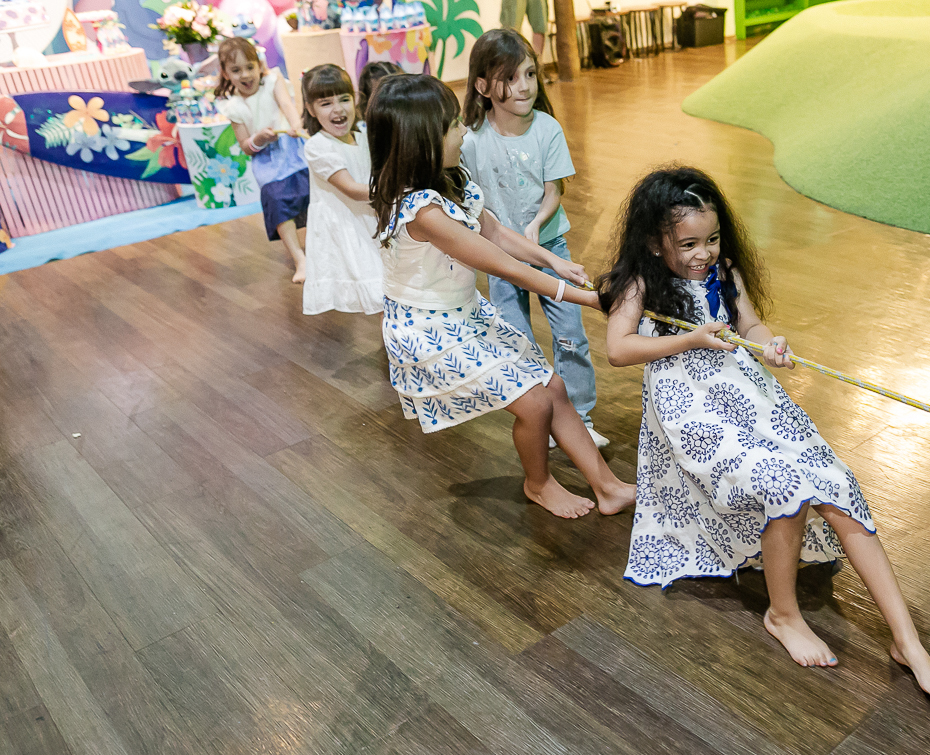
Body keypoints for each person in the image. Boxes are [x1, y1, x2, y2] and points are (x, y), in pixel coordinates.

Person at [597, 166, 930, 700]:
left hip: (748, 393)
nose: (704, 254)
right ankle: (783, 615)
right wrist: (690, 339)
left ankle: (908, 641)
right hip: (688, 406)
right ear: (654, 242)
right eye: (689, 243)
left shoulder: (727, 275)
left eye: (712, 239)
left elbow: (751, 327)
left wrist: (771, 344)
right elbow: (618, 349)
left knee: (839, 484)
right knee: (784, 488)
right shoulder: (641, 281)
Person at [366, 74, 635, 519]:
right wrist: (582, 298)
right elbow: (500, 264)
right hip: (428, 328)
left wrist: (553, 261)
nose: (465, 131)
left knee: (554, 388)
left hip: (463, 312)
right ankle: (539, 483)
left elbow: (493, 230)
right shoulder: (421, 211)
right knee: (532, 404)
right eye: (453, 125)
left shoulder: (451, 180)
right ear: (422, 140)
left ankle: (608, 487)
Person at [460, 29, 609, 449]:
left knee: (571, 338)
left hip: (552, 249)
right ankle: (542, 418)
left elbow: (554, 191)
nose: (524, 86)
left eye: (529, 73)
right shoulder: (470, 140)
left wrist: (538, 223)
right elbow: (473, 204)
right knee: (516, 339)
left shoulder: (547, 128)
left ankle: (578, 419)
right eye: (510, 77)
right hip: (499, 260)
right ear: (483, 86)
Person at [216, 37, 309, 283]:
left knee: (313, 194)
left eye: (249, 67)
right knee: (278, 204)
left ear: (259, 65)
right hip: (268, 163)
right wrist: (259, 138)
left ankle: (326, 247)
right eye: (236, 70)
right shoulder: (234, 107)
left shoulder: (273, 81)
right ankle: (300, 258)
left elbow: (288, 107)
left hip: (293, 150)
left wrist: (296, 125)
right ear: (225, 74)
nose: (245, 75)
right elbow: (246, 147)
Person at [300, 64, 383, 315]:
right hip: (347, 225)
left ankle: (396, 342)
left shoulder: (364, 137)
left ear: (355, 100)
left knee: (388, 285)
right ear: (311, 110)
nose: (337, 109)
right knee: (378, 287)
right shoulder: (318, 146)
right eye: (325, 103)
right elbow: (352, 189)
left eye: (344, 99)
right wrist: (397, 189)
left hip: (372, 218)